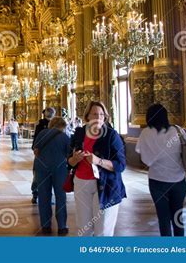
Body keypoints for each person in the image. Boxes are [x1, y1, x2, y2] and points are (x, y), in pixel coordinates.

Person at [68, 101, 126, 236]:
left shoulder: (111, 135)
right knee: (84, 228)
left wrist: (98, 161)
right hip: (81, 183)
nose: (98, 117)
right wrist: (74, 159)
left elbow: (120, 165)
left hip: (106, 185)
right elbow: (69, 161)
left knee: (103, 230)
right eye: (95, 114)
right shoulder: (79, 133)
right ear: (87, 116)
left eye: (101, 114)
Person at [135, 104, 186, 236]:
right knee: (178, 216)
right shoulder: (177, 130)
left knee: (163, 217)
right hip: (178, 181)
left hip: (157, 181)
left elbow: (143, 156)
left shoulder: (145, 133)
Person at [33, 117, 71, 236]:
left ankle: (46, 226)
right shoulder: (64, 137)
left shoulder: (42, 133)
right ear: (63, 126)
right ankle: (62, 227)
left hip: (41, 168)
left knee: (44, 196)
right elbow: (69, 154)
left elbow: (35, 150)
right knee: (60, 197)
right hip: (59, 169)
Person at [31, 107, 56, 203]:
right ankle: (35, 194)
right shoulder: (40, 124)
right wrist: (35, 148)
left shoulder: (56, 124)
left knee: (49, 175)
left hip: (51, 154)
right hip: (41, 153)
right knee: (38, 175)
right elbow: (36, 138)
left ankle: (46, 195)